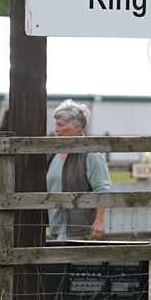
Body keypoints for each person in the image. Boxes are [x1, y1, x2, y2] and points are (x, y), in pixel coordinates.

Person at [46, 100, 110, 241]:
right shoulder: (52, 154)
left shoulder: (91, 155)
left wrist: (99, 220)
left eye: (61, 125)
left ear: (76, 127)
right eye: (56, 125)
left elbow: (102, 189)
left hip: (79, 228)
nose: (56, 129)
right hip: (56, 227)